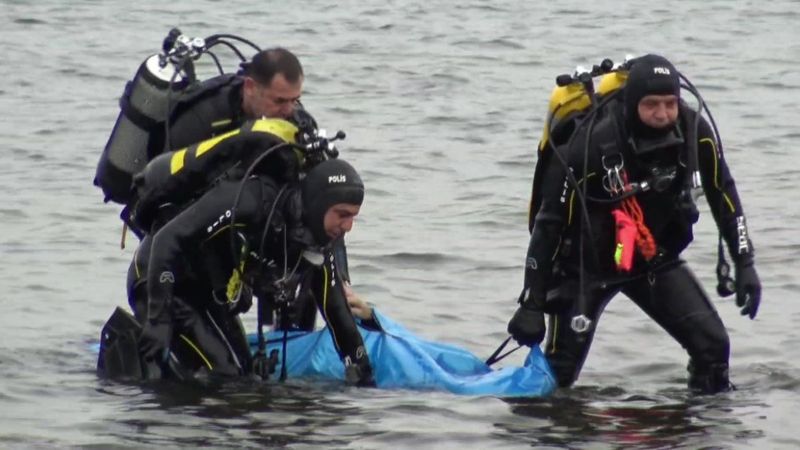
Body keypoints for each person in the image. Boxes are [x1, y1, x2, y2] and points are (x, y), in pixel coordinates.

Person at [507, 54, 762, 394]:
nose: (662, 114)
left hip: (650, 258)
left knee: (712, 349)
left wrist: (744, 263)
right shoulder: (590, 144)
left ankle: (697, 433)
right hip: (585, 268)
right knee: (556, 379)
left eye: (670, 104)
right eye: (651, 104)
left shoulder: (693, 131)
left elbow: (723, 194)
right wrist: (532, 303)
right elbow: (548, 225)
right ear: (631, 104)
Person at [136, 158, 375, 385]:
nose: (348, 226)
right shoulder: (251, 201)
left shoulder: (318, 240)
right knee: (227, 377)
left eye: (353, 216)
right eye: (342, 214)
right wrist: (159, 320)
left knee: (246, 377)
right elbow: (167, 239)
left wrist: (362, 370)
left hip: (209, 295)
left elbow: (336, 310)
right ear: (318, 204)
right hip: (159, 278)